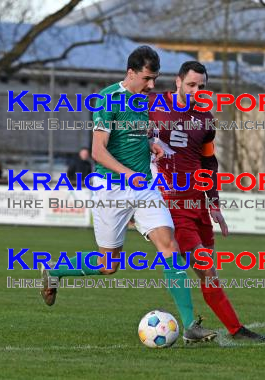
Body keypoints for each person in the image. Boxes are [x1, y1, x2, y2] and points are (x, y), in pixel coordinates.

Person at [39, 46, 216, 344]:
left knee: (169, 245)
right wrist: (126, 173)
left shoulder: (144, 100)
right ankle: (55, 270)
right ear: (131, 72)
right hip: (111, 188)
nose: (151, 85)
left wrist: (151, 145)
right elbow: (99, 151)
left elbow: (139, 131)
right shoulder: (108, 99)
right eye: (147, 78)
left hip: (144, 186)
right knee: (109, 266)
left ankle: (189, 326)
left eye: (155, 79)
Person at [148, 61, 265, 342]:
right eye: (191, 85)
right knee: (205, 266)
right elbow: (121, 125)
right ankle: (228, 329)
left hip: (198, 205)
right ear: (177, 82)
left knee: (208, 274)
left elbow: (208, 164)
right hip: (172, 204)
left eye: (202, 86)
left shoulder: (205, 120)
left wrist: (214, 205)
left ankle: (232, 328)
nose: (197, 90)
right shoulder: (151, 104)